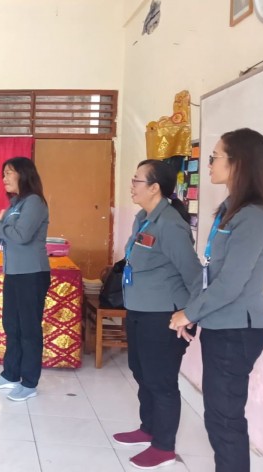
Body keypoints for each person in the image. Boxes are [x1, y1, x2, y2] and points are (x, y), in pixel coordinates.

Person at [170, 128, 263, 472]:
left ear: (238, 162)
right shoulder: (230, 209)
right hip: (221, 326)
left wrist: (190, 312)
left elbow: (231, 284)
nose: (209, 163)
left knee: (225, 418)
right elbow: (211, 272)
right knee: (219, 414)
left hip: (237, 332)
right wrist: (193, 314)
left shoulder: (254, 217)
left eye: (215, 156)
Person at [111, 160, 202, 469]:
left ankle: (164, 447)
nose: (132, 185)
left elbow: (193, 274)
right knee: (140, 371)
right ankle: (148, 428)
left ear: (154, 188)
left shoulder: (170, 225)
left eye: (137, 180)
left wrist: (190, 314)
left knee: (160, 380)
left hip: (164, 315)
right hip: (139, 308)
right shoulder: (143, 219)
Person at [0, 157, 50, 402]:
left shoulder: (34, 202)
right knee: (12, 325)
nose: (4, 178)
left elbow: (21, 236)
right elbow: (4, 238)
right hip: (15, 272)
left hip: (32, 274)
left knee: (29, 329)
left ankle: (29, 383)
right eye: (3, 173)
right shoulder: (17, 203)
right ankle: (11, 374)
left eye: (9, 173)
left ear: (24, 174)